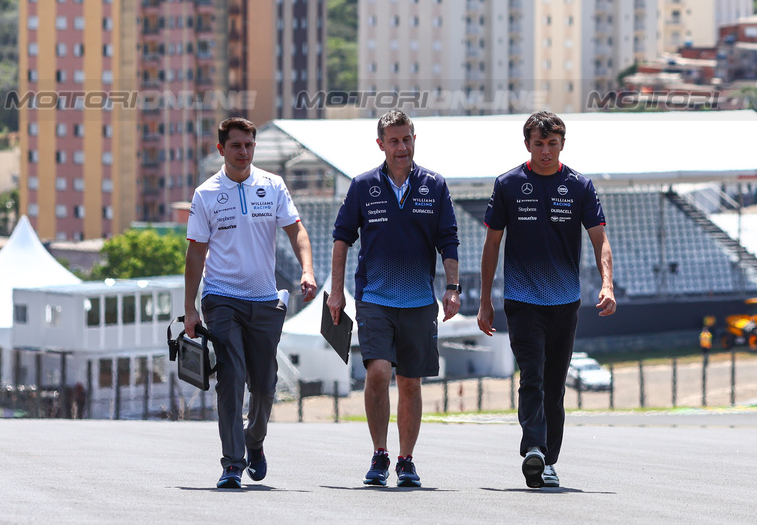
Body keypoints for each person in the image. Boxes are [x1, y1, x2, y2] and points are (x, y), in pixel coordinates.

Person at [478, 110, 616, 489]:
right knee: (533, 376)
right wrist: (486, 299)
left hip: (565, 301)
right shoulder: (507, 184)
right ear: (527, 145)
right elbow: (492, 244)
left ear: (562, 144)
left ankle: (548, 461)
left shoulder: (580, 186)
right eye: (538, 144)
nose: (544, 151)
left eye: (551, 144)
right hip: (522, 300)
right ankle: (534, 449)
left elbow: (600, 240)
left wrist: (607, 284)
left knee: (554, 385)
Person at [328, 110, 460, 489]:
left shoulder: (434, 185)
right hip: (375, 297)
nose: (401, 147)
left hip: (420, 301)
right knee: (379, 372)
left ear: (414, 139)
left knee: (410, 383)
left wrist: (452, 288)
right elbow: (342, 239)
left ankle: (406, 461)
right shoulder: (362, 185)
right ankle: (379, 453)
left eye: (407, 139)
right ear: (381, 144)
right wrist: (337, 292)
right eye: (394, 141)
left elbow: (448, 240)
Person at [184, 117, 317, 489]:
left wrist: (307, 270)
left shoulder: (273, 186)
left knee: (265, 384)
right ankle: (231, 463)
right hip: (221, 297)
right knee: (232, 376)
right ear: (221, 149)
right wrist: (191, 308)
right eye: (236, 146)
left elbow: (297, 231)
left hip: (264, 299)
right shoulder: (206, 194)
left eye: (249, 146)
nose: (243, 152)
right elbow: (195, 255)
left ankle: (254, 441)